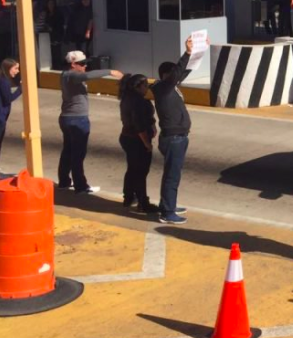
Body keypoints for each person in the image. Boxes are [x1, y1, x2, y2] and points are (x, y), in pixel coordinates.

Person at [58, 51, 123, 193]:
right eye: (82, 64)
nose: (85, 66)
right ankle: (81, 186)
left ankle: (64, 181)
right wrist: (110, 71)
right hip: (77, 119)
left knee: (68, 151)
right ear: (73, 64)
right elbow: (87, 76)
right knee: (78, 154)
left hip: (67, 117)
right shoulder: (73, 75)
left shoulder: (65, 75)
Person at [152, 36, 200, 224]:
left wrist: (196, 52)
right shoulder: (163, 87)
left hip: (178, 137)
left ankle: (168, 204)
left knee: (172, 174)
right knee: (172, 175)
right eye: (173, 73)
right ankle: (167, 212)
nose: (177, 77)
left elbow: (184, 71)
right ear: (166, 75)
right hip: (174, 138)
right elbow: (177, 73)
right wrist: (186, 53)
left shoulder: (169, 86)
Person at [118, 74, 158, 214]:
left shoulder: (127, 98)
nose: (147, 88)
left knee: (133, 169)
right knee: (141, 172)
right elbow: (139, 126)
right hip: (137, 140)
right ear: (138, 87)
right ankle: (143, 202)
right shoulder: (138, 102)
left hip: (128, 138)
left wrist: (152, 125)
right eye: (145, 85)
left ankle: (128, 196)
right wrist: (147, 143)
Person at [0, 59, 21, 162]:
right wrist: (20, 89)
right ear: (8, 68)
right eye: (15, 68)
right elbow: (8, 99)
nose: (17, 71)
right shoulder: (4, 82)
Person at [38, 0, 66, 70]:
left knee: (57, 52)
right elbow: (40, 24)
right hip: (46, 37)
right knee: (49, 53)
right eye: (49, 4)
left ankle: (58, 67)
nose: (51, 5)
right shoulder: (45, 14)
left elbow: (61, 24)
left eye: (52, 4)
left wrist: (53, 29)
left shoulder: (58, 13)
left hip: (57, 36)